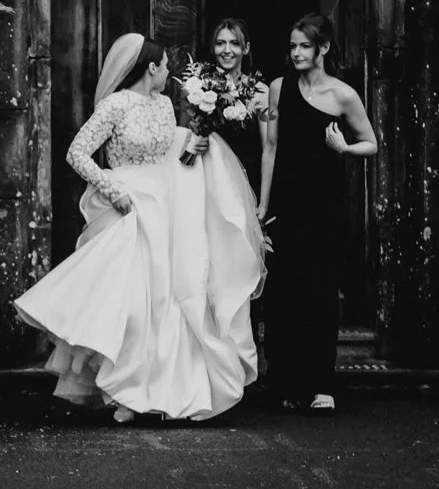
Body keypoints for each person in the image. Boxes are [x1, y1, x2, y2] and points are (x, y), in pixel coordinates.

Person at [14, 33, 266, 422]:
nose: (169, 73)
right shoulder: (115, 105)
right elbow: (76, 152)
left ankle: (154, 390)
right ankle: (122, 393)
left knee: (165, 301)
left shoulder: (165, 104)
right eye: (165, 65)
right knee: (130, 302)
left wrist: (190, 147)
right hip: (127, 205)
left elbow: (166, 154)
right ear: (150, 68)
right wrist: (112, 189)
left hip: (164, 205)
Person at [258, 13, 378, 413]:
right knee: (283, 292)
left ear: (323, 48)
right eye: (292, 46)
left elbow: (371, 144)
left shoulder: (343, 95)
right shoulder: (279, 89)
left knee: (320, 291)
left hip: (325, 204)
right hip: (287, 203)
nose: (296, 53)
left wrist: (344, 149)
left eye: (304, 46)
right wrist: (262, 203)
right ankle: (285, 381)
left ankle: (321, 383)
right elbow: (271, 147)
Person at [180, 17, 264, 173]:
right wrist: (193, 138)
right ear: (212, 48)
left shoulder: (259, 92)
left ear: (246, 48)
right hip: (206, 174)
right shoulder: (195, 87)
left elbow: (269, 150)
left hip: (246, 177)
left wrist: (264, 198)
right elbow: (181, 135)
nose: (227, 50)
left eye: (235, 43)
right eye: (220, 43)